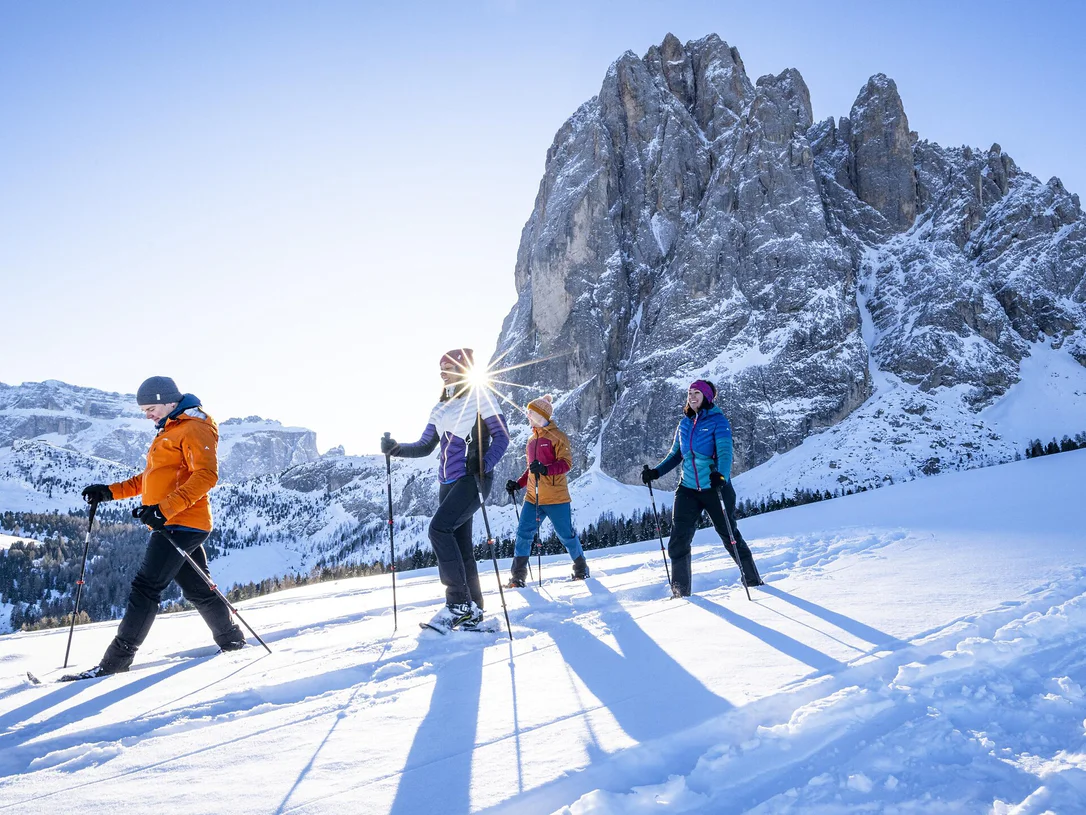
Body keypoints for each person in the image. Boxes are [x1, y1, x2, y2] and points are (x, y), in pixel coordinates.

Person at [72, 376, 245, 679]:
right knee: (199, 590)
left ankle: (114, 662)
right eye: (145, 411)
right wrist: (109, 492)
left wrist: (163, 510)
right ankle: (232, 641)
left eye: (150, 408)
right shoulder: (171, 429)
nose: (148, 415)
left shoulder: (195, 426)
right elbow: (150, 478)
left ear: (167, 400)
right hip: (173, 522)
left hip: (182, 523)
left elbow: (206, 476)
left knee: (145, 588)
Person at [381, 349, 509, 631]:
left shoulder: (481, 397)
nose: (442, 373)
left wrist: (484, 463)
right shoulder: (439, 408)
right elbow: (425, 446)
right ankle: (473, 610)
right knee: (462, 548)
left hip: (472, 478)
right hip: (447, 483)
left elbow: (502, 436)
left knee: (438, 530)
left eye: (448, 368)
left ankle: (457, 604)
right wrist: (396, 449)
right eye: (440, 369)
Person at [641, 379, 763, 598]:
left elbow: (725, 453)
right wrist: (656, 472)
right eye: (689, 393)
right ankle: (680, 593)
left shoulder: (719, 421)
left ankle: (753, 580)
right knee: (679, 539)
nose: (692, 397)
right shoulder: (684, 424)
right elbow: (676, 454)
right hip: (687, 488)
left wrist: (721, 475)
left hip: (715, 487)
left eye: (697, 392)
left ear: (707, 396)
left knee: (729, 535)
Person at [505, 394, 588, 586]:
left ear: (541, 414)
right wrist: (518, 483)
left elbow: (566, 464)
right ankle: (518, 577)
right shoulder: (531, 440)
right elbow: (531, 469)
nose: (528, 415)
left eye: (531, 412)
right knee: (523, 534)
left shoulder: (558, 436)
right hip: (533, 497)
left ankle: (581, 569)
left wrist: (545, 469)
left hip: (555, 497)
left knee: (565, 535)